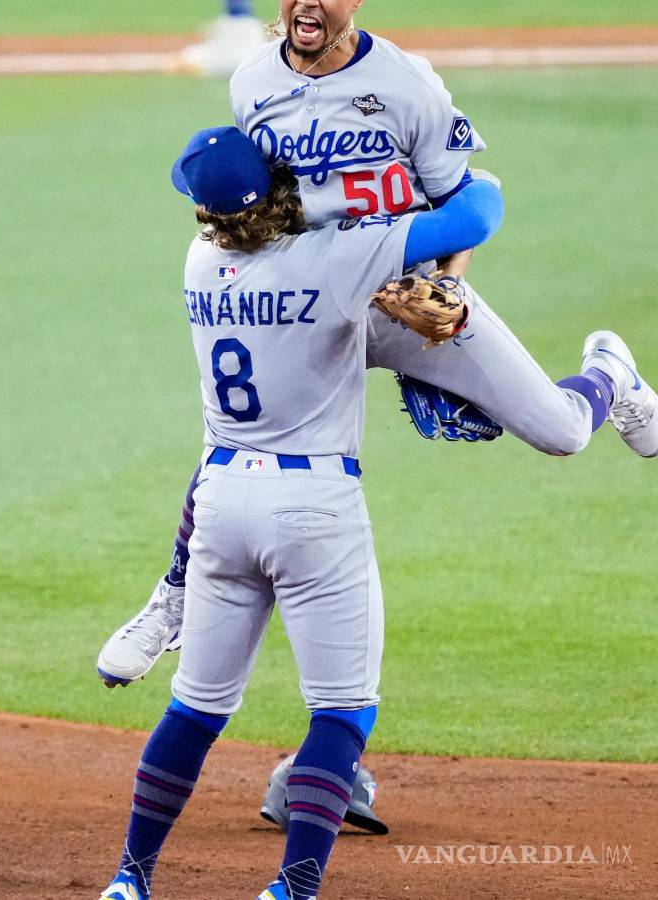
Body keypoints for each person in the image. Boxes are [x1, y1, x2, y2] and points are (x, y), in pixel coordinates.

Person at [96, 0, 658, 688]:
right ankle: (175, 597)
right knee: (241, 436)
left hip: (409, 299)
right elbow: (257, 205)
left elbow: (470, 202)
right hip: (308, 297)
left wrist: (447, 291)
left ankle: (611, 376)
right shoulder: (251, 83)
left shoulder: (406, 85)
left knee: (561, 432)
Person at [99, 123, 594, 900]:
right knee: (341, 715)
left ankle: (130, 879)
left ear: (209, 212)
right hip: (312, 507)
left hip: (223, 500)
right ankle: (292, 888)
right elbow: (479, 213)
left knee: (195, 710)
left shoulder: (200, 264)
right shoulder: (338, 259)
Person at [177, 1, 272, 77]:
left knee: (189, 57)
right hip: (252, 66)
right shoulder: (255, 25)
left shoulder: (223, 25)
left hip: (223, 66)